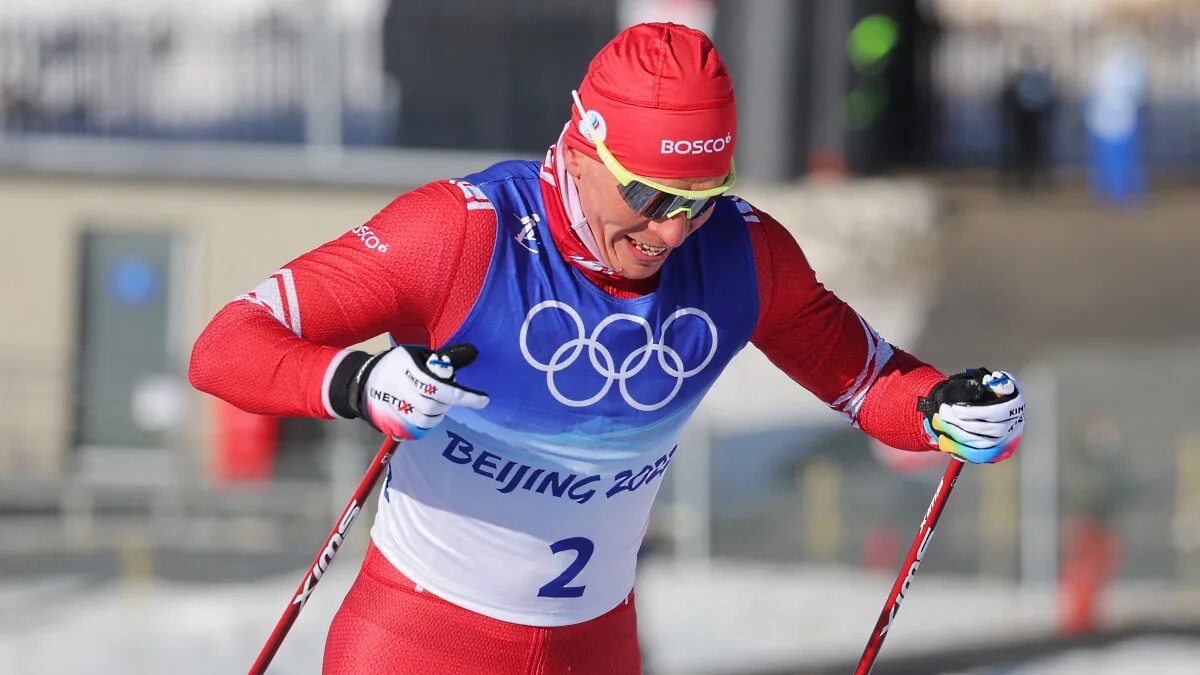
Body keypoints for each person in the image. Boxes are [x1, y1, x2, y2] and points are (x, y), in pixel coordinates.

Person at [189, 22, 1026, 675]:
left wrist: (948, 411)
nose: (670, 228)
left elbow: (869, 383)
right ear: (584, 142)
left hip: (596, 647)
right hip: (421, 641)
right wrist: (360, 380)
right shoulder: (461, 233)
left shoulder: (740, 252)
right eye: (647, 193)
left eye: (700, 198)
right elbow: (226, 344)